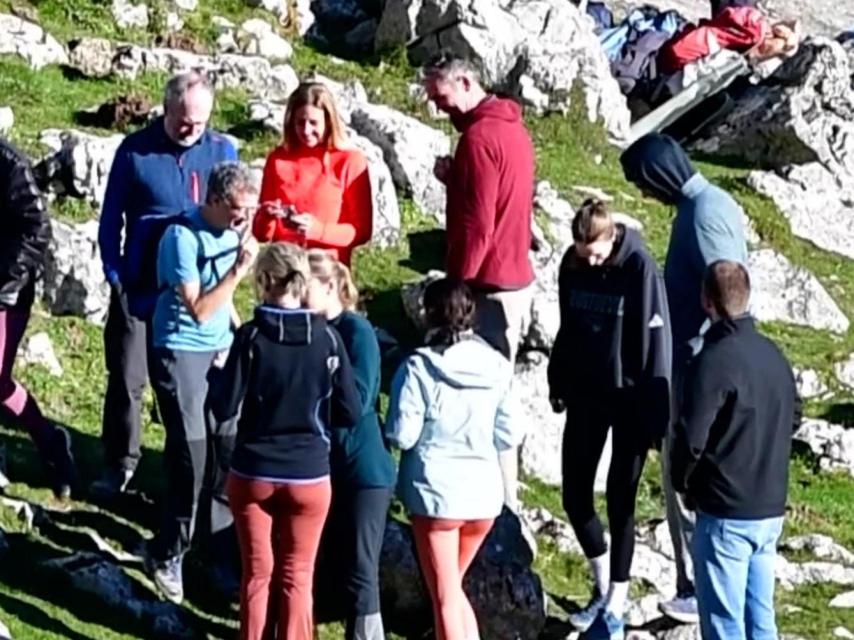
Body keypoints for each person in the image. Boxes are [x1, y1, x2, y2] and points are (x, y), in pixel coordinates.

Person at [620, 132, 747, 622]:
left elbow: (726, 285)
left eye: (643, 183)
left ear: (659, 175)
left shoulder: (705, 213)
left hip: (696, 368)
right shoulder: (704, 205)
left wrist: (713, 364)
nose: (644, 193)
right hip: (691, 361)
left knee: (686, 471)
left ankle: (698, 585)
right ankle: (695, 581)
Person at [94, 70, 237, 496]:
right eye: (183, 120)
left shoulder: (221, 151)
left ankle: (191, 471)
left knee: (192, 387)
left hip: (199, 292)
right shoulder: (135, 151)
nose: (191, 130)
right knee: (127, 376)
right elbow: (110, 219)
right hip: (140, 288)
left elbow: (237, 213)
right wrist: (116, 275)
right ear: (166, 108)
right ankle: (119, 463)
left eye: (200, 122)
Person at [210, 242, 361, 640]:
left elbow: (223, 408)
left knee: (258, 574)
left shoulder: (251, 337)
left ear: (263, 280)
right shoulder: (328, 339)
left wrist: (217, 373)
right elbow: (350, 411)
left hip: (254, 470)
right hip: (309, 473)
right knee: (298, 575)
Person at [548, 200, 672, 639]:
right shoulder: (573, 266)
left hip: (631, 399)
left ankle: (617, 603)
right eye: (584, 254)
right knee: (574, 495)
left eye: (597, 254)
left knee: (621, 499)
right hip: (586, 394)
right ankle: (601, 586)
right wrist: (557, 377)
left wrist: (656, 413)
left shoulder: (640, 267)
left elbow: (656, 341)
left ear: (611, 237)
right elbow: (566, 326)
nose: (592, 262)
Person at [422, 54, 536, 512]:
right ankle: (504, 495)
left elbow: (479, 226)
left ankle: (499, 500)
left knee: (484, 396)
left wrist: (457, 287)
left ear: (467, 82)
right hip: (514, 276)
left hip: (487, 285)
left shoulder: (479, 139)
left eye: (442, 96)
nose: (438, 107)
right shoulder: (511, 129)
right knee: (500, 387)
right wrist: (456, 180)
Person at [144, 161, 258, 604]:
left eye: (249, 209)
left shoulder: (232, 233)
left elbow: (222, 306)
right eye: (238, 208)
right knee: (191, 453)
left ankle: (214, 552)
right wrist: (238, 272)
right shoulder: (181, 237)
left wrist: (239, 335)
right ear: (214, 200)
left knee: (226, 446)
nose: (243, 218)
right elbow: (198, 309)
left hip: (219, 348)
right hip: (180, 347)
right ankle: (168, 553)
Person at [386, 278, 524, 640]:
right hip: (483, 499)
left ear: (429, 314)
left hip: (435, 497)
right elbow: (509, 433)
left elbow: (403, 434)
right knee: (452, 589)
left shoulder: (419, 367)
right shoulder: (497, 366)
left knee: (444, 597)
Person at [670, 260, 800, 640]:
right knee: (761, 621)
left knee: (725, 626)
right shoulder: (774, 355)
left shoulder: (712, 361)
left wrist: (683, 482)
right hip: (769, 508)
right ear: (747, 296)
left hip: (725, 511)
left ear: (706, 301)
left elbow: (692, 439)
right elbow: (795, 415)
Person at [306, 250, 395, 640]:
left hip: (364, 469)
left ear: (330, 286)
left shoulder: (356, 332)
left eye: (306, 286)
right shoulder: (312, 329)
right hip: (329, 466)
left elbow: (356, 400)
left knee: (361, 567)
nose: (299, 295)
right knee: (328, 561)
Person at [0, 137, 76, 499]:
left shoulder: (10, 164)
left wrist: (5, 278)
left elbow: (37, 229)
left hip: (6, 291)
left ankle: (51, 442)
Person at [252, 82, 373, 266]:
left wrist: (318, 230)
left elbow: (362, 231)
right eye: (300, 123)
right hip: (285, 267)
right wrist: (266, 216)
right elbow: (262, 234)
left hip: (326, 271)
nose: (306, 131)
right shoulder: (277, 159)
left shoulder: (350, 161)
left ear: (329, 121)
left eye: (313, 123)